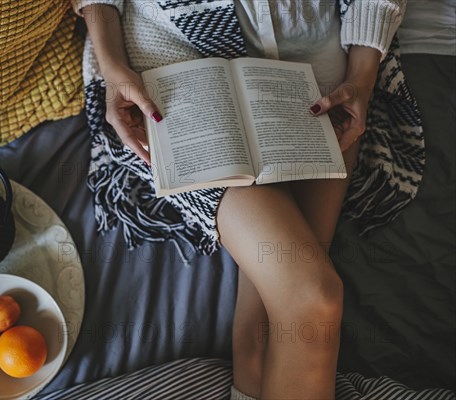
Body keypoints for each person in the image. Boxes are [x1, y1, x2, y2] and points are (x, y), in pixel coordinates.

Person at [73, 1, 409, 398]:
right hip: (177, 68)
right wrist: (112, 68)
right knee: (311, 297)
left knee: (260, 333)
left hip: (315, 79)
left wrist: (363, 78)